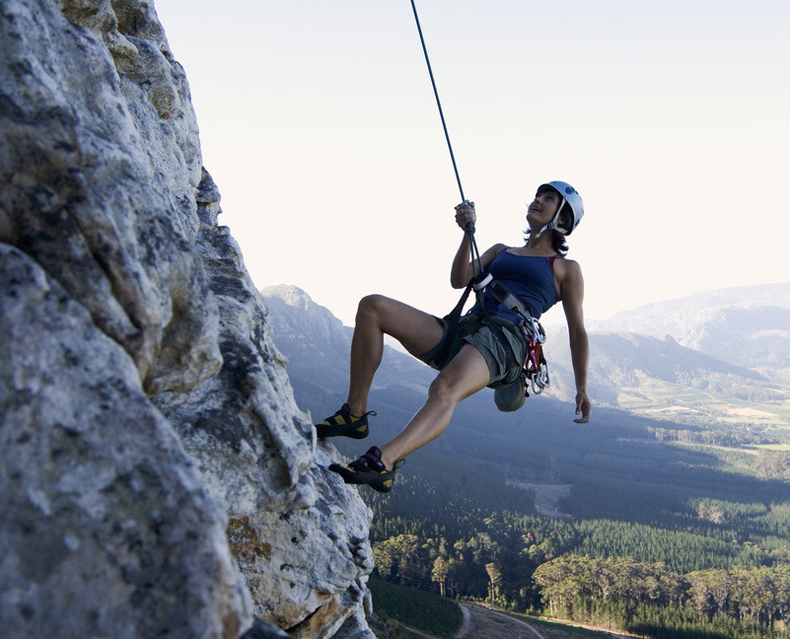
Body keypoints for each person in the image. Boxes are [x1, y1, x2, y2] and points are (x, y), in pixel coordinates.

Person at [316, 181, 592, 493]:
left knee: (445, 387)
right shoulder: (501, 250)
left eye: (549, 199)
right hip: (468, 328)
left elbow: (577, 331)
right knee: (372, 308)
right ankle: (354, 414)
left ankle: (385, 461)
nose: (537, 200)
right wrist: (467, 233)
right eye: (538, 195)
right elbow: (459, 279)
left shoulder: (566, 268)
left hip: (506, 341)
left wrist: (581, 387)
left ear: (564, 220)